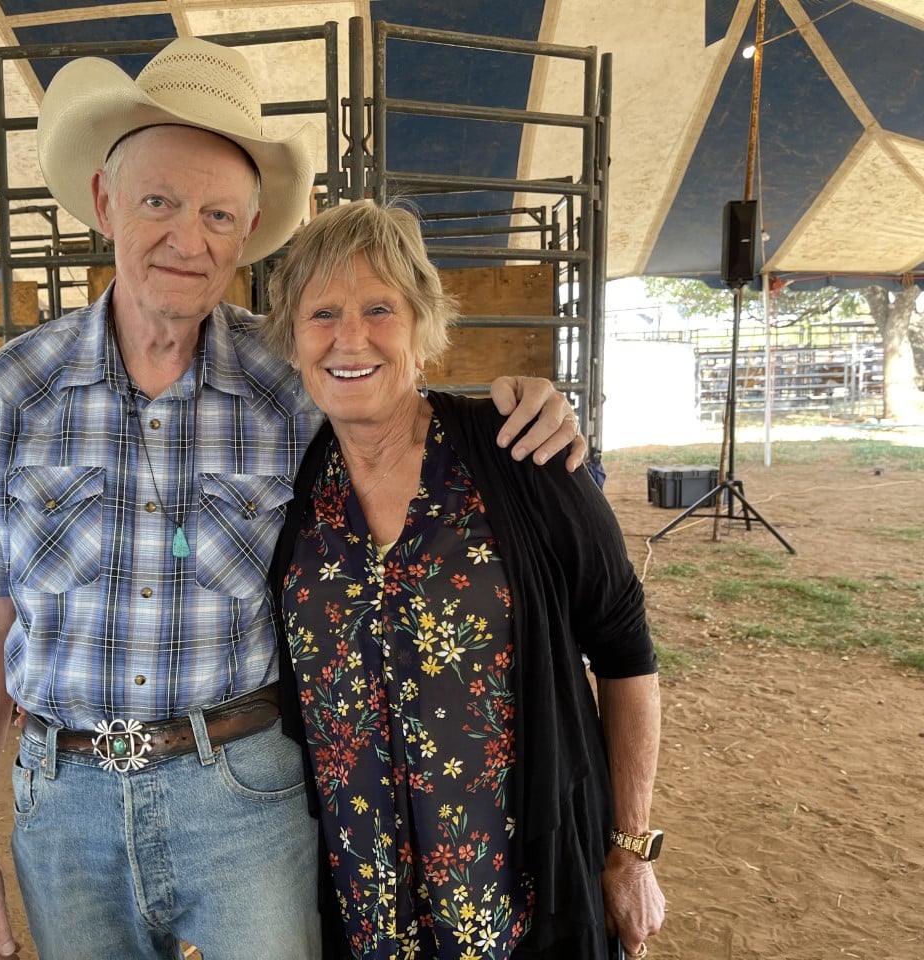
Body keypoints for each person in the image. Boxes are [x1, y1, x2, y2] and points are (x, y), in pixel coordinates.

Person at [0, 38, 586, 960]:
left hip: (243, 792)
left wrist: (517, 397)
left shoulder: (289, 381)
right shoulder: (9, 391)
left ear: (247, 232)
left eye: (218, 215)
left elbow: (393, 390)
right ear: (106, 203)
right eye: (160, 202)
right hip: (61, 801)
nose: (188, 239)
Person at [262, 200, 665, 960]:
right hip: (365, 907)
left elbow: (625, 651)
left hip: (520, 898)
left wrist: (630, 850)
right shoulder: (291, 486)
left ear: (422, 330)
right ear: (292, 340)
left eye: (380, 307)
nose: (351, 338)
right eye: (322, 314)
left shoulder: (521, 453)